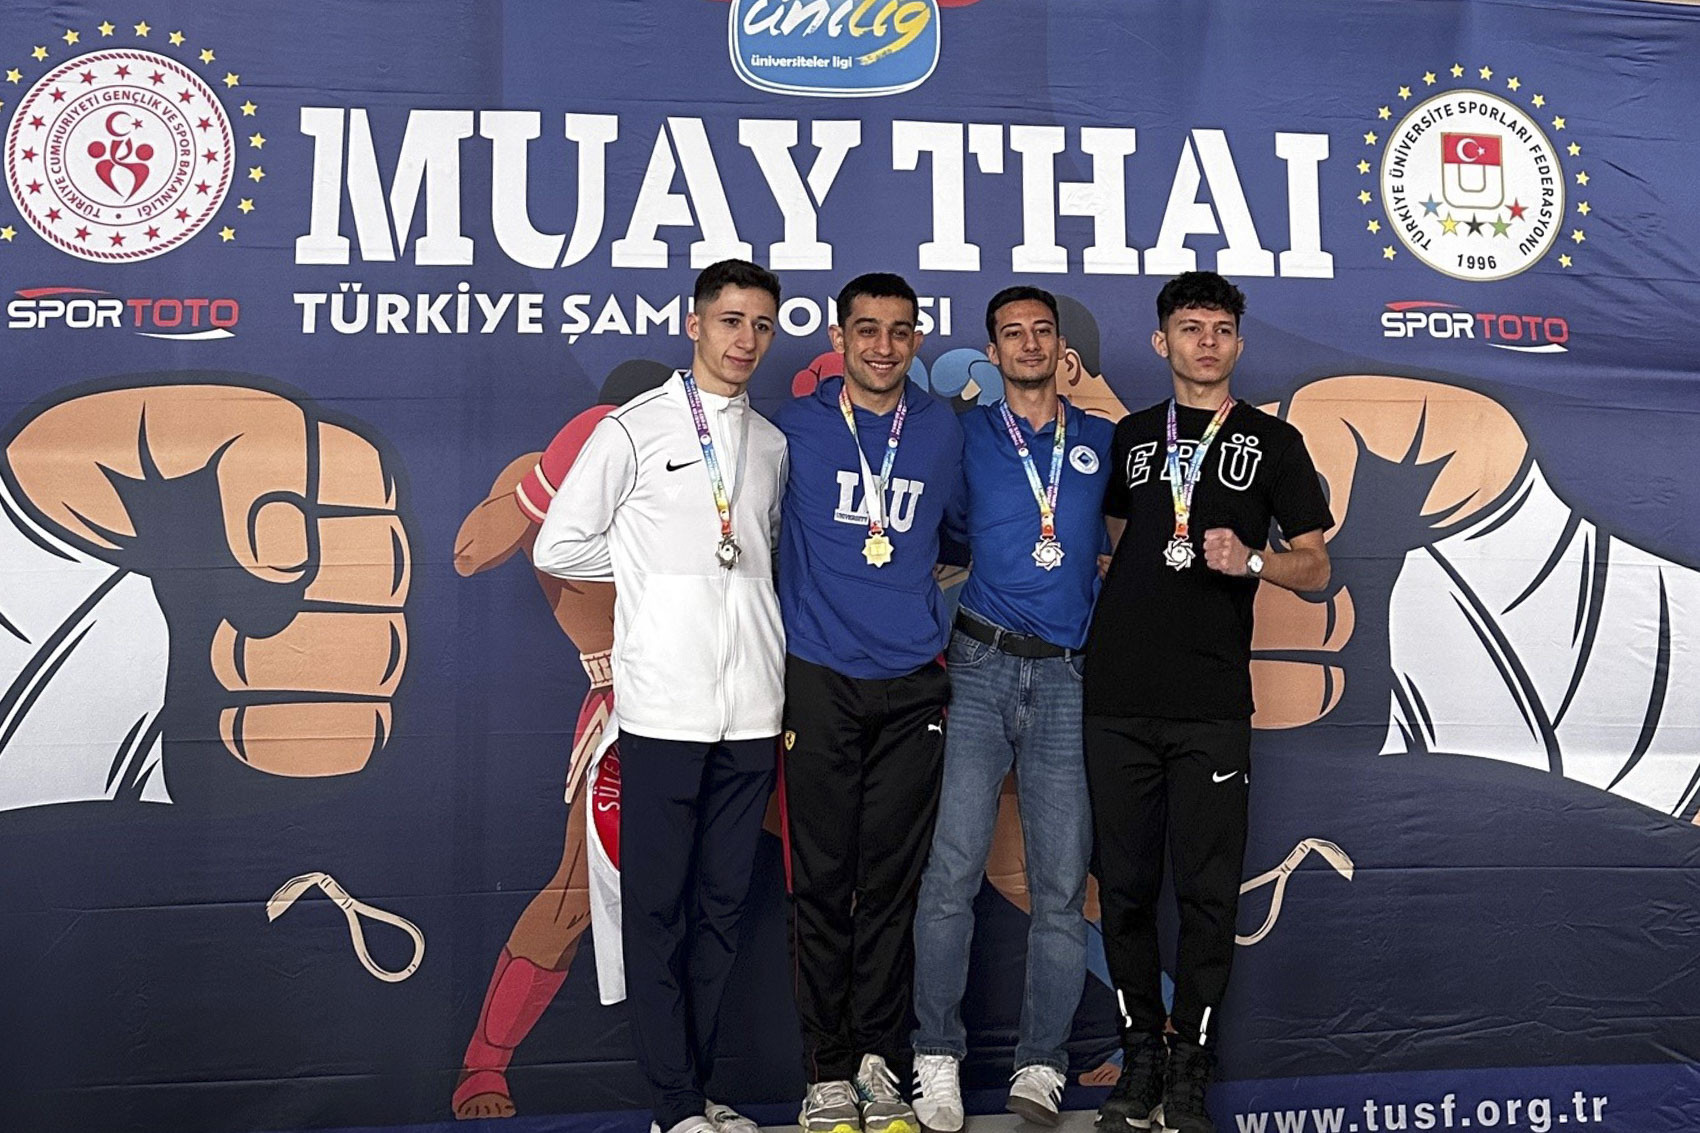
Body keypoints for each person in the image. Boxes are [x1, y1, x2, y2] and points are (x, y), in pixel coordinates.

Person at [532, 260, 789, 1133]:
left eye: (761, 324)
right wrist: (648, 573)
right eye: (730, 320)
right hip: (661, 712)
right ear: (694, 324)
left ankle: (699, 1092)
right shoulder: (633, 429)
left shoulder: (772, 445)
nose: (745, 339)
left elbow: (762, 558)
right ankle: (672, 1103)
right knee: (657, 910)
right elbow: (560, 544)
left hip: (753, 711)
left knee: (723, 908)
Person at [1084, 272, 1333, 1133]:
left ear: (1238, 343)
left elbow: (1316, 565)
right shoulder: (1130, 437)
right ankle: (1140, 1055)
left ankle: (1190, 1059)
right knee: (1123, 887)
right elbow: (1121, 544)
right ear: (1163, 341)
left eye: (1221, 329)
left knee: (1207, 892)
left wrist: (1254, 561)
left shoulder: (1273, 440)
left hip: (1211, 703)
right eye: (1190, 328)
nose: (1206, 342)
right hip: (1117, 697)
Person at [908, 286, 1115, 1130]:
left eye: (1041, 331)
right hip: (980, 665)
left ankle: (1041, 1062)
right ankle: (936, 1057)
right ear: (992, 353)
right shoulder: (964, 436)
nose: (1029, 344)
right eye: (1012, 334)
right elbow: (940, 532)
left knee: (1061, 883)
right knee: (951, 870)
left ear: (1061, 348)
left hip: (1067, 676)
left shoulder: (1101, 439)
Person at [775, 272, 965, 1133]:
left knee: (891, 885)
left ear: (916, 338)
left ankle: (878, 1065)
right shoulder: (795, 427)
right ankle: (825, 1073)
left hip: (914, 678)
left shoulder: (941, 428)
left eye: (899, 331)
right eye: (867, 330)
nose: (883, 347)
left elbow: (957, 536)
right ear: (840, 339)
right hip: (820, 676)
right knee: (822, 883)